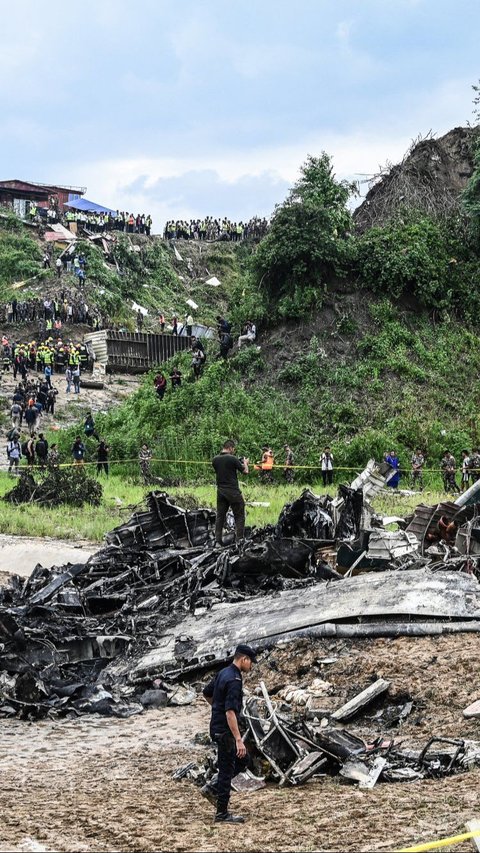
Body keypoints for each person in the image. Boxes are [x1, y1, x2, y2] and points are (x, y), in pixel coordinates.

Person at [202, 644, 257, 823]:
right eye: (251, 663)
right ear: (244, 659)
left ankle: (213, 788)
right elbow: (230, 712)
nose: (252, 667)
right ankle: (222, 813)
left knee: (243, 761)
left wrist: (217, 708)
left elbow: (206, 693)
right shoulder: (234, 680)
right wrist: (239, 740)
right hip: (225, 731)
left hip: (217, 727)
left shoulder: (223, 672)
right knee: (227, 769)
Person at [212, 440, 249, 546]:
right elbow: (245, 472)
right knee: (239, 515)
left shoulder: (215, 460)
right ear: (230, 448)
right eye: (233, 449)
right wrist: (245, 463)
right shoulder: (232, 458)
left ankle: (217, 540)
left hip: (221, 491)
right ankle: (239, 540)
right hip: (233, 491)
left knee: (220, 516)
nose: (233, 451)